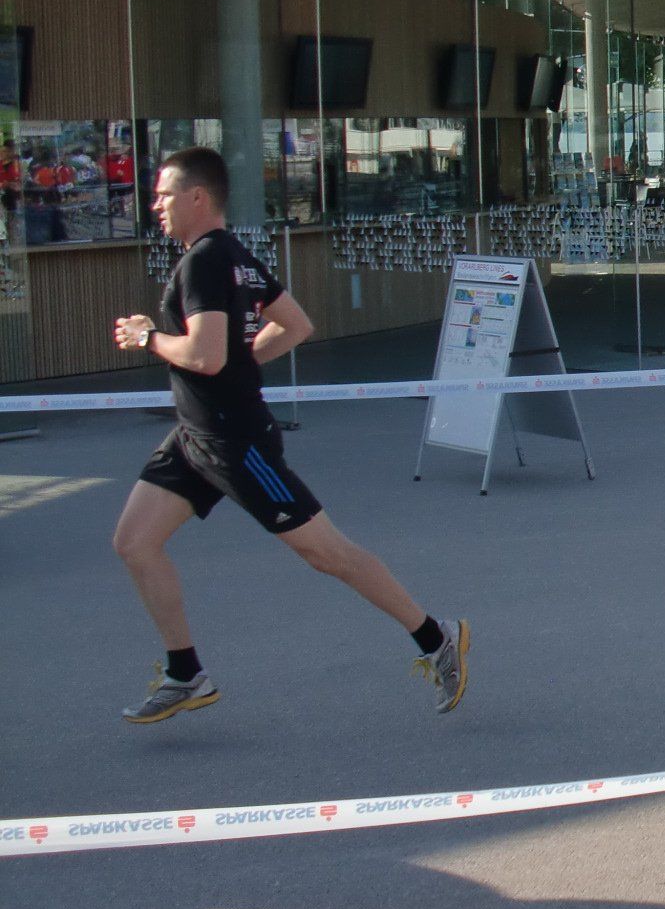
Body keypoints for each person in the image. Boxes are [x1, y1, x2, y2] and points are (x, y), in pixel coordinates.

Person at [109, 146, 470, 722]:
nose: (155, 206)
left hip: (235, 442)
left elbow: (204, 356)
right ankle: (185, 673)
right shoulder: (236, 256)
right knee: (134, 542)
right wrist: (239, 361)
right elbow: (295, 325)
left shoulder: (204, 261)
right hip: (194, 439)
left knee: (327, 554)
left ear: (197, 197)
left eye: (163, 195)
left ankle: (436, 636)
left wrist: (149, 337)